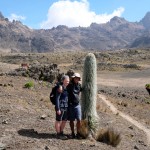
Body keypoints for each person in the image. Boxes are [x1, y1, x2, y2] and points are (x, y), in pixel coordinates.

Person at [67, 73, 82, 139]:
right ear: (73, 78)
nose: (76, 79)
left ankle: (78, 133)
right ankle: (72, 133)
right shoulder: (69, 85)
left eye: (77, 78)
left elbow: (81, 90)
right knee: (71, 120)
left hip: (77, 104)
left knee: (79, 120)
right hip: (70, 105)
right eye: (75, 78)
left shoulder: (79, 85)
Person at [55, 75, 70, 140]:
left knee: (64, 120)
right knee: (58, 120)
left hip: (66, 107)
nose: (67, 82)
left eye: (68, 81)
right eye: (66, 81)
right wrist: (58, 109)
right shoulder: (60, 88)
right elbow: (57, 98)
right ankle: (58, 134)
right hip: (60, 107)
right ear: (63, 81)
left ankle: (61, 132)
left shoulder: (66, 87)